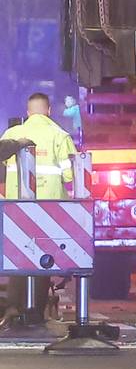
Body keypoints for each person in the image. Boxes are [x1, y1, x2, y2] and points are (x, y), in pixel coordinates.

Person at [0, 93, 77, 328]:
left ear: (28, 111)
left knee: (18, 259)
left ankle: (16, 306)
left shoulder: (12, 134)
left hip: (16, 208)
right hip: (50, 209)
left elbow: (3, 170)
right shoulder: (60, 135)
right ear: (49, 111)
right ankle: (36, 311)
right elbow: (69, 174)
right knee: (44, 260)